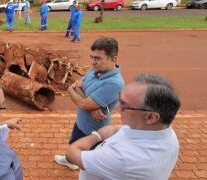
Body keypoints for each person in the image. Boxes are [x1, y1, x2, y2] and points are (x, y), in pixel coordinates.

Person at [65, 73, 181, 180]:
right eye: (120, 100)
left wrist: (97, 135)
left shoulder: (124, 159)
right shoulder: (164, 131)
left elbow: (71, 153)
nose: (117, 108)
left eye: (124, 105)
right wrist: (112, 130)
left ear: (151, 117)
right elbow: (118, 129)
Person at [55, 37, 125, 170]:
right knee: (74, 142)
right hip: (82, 122)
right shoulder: (95, 70)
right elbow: (79, 88)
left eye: (98, 58)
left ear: (113, 59)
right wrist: (91, 106)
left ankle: (77, 165)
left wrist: (73, 91)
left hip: (93, 130)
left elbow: (81, 101)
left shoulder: (114, 83)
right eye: (91, 57)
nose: (93, 62)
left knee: (86, 158)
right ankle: (70, 161)